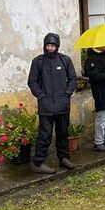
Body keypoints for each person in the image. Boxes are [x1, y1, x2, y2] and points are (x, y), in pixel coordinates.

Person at [27, 33, 77, 175]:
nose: (50, 48)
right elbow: (32, 81)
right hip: (46, 106)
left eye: (53, 45)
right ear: (44, 46)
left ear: (57, 46)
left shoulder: (65, 60)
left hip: (62, 105)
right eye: (48, 45)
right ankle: (38, 162)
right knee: (45, 134)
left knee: (63, 132)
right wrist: (41, 96)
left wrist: (67, 94)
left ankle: (64, 158)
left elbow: (73, 78)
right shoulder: (38, 62)